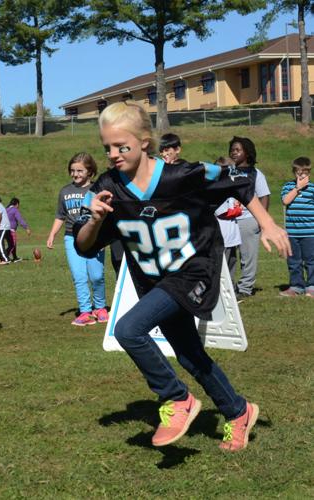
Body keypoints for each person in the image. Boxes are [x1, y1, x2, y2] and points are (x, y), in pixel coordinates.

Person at [74, 102, 290, 451]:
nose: (113, 155)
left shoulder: (181, 176)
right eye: (107, 148)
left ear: (145, 142)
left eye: (121, 146)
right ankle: (239, 411)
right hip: (154, 282)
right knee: (189, 354)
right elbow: (85, 247)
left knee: (128, 329)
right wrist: (95, 219)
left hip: (193, 270)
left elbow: (240, 181)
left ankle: (177, 398)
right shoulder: (108, 186)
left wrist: (267, 223)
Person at [46, 152, 107, 326]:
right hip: (71, 238)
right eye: (72, 171)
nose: (75, 174)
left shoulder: (97, 190)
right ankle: (85, 311)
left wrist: (103, 239)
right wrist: (52, 234)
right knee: (79, 276)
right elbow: (60, 216)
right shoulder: (65, 191)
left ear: (90, 171)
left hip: (94, 238)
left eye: (80, 171)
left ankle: (100, 307)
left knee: (96, 276)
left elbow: (104, 217)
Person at [229, 136, 270, 298]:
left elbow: (264, 196)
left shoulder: (255, 173)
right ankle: (229, 287)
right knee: (229, 256)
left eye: (238, 150)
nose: (234, 153)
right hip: (228, 221)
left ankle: (245, 288)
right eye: (232, 150)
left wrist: (262, 220)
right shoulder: (228, 171)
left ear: (247, 153)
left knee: (248, 255)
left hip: (248, 220)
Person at [280, 156, 314, 297]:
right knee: (294, 261)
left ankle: (311, 286)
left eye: (305, 173)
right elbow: (285, 201)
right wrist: (297, 188)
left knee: (311, 260)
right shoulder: (288, 187)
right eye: (299, 173)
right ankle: (296, 286)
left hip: (310, 233)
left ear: (309, 173)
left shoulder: (312, 188)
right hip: (292, 233)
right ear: (294, 172)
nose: (302, 176)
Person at [214, 157, 243, 282]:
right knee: (222, 267)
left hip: (232, 235)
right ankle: (220, 295)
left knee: (232, 263)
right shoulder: (217, 188)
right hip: (222, 236)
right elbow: (221, 212)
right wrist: (237, 210)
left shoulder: (230, 188)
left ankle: (231, 293)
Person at [5, 197, 30, 262]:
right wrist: (26, 228)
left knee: (13, 244)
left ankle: (15, 257)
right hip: (11, 230)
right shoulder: (14, 210)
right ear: (17, 204)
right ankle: (4, 256)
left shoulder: (6, 209)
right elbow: (20, 219)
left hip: (4, 230)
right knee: (12, 244)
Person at [0, 195, 12, 265]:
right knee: (10, 243)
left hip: (3, 227)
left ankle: (5, 259)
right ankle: (4, 258)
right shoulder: (0, 205)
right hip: (6, 227)